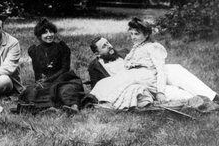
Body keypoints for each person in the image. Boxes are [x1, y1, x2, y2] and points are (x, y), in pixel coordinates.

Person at [88, 36, 219, 102]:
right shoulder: (96, 66)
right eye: (104, 46)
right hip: (140, 86)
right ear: (97, 53)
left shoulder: (124, 52)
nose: (110, 46)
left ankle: (214, 97)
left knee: (175, 69)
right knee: (175, 92)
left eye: (108, 43)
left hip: (150, 73)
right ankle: (207, 103)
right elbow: (99, 88)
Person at [90, 17, 168, 109]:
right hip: (136, 75)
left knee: (118, 81)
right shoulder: (137, 47)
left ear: (146, 34)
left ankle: (105, 101)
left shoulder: (153, 47)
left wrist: (160, 92)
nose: (133, 37)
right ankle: (95, 100)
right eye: (131, 34)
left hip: (146, 76)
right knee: (104, 82)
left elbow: (161, 69)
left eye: (136, 34)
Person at [19, 18, 85, 113]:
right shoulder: (35, 51)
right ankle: (47, 108)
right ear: (39, 36)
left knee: (66, 90)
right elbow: (37, 71)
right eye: (45, 33)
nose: (49, 35)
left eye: (51, 32)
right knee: (32, 90)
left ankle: (73, 107)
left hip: (63, 79)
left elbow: (65, 68)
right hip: (46, 81)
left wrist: (49, 79)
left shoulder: (62, 48)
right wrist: (40, 82)